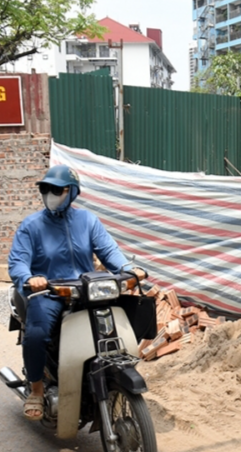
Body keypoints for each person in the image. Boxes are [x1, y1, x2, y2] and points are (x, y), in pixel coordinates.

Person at [8, 164, 144, 420]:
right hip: (49, 292)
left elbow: (108, 250)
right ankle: (36, 389)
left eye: (57, 189)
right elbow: (17, 262)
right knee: (36, 334)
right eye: (46, 189)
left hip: (86, 291)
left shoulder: (87, 220)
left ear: (72, 193)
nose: (51, 193)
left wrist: (130, 268)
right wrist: (29, 278)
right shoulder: (31, 226)